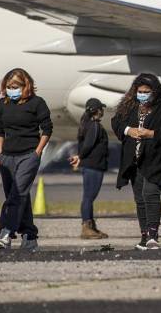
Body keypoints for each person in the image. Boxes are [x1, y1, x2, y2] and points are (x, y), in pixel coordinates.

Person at [112, 73, 161, 250]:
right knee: (140, 198)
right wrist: (128, 130)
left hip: (156, 159)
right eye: (140, 91)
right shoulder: (130, 105)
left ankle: (153, 234)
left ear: (154, 91)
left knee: (150, 193)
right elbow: (116, 122)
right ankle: (144, 235)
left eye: (146, 92)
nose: (142, 95)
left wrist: (152, 134)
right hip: (134, 160)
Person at [0, 68, 53, 251]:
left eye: (16, 86)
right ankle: (29, 236)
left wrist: (38, 152)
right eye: (9, 87)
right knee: (18, 196)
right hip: (7, 157)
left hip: (28, 155)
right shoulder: (2, 104)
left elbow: (47, 129)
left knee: (17, 195)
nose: (12, 90)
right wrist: (0, 153)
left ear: (26, 85)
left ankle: (6, 233)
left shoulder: (37, 103)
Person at [70, 98, 109, 240]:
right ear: (97, 111)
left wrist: (79, 157)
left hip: (90, 165)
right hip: (94, 166)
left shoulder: (86, 124)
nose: (102, 111)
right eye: (101, 108)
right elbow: (88, 145)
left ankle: (91, 226)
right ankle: (86, 227)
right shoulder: (94, 126)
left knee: (88, 197)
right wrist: (80, 156)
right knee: (88, 197)